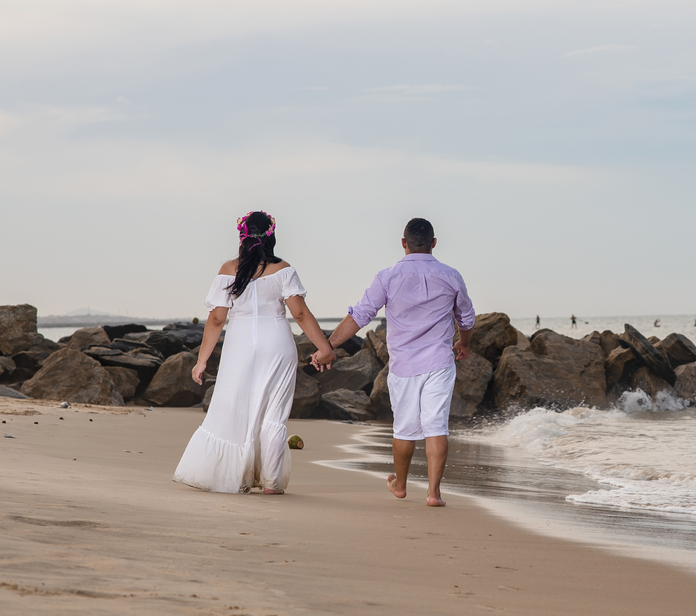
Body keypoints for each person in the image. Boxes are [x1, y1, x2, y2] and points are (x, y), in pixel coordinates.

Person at [313, 218, 474, 507]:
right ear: (434, 242)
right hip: (439, 362)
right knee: (436, 426)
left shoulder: (387, 276)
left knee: (404, 429)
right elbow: (466, 317)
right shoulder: (451, 275)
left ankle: (400, 486)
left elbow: (360, 315)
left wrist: (329, 346)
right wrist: (464, 343)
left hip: (404, 366)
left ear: (403, 243)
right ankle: (434, 493)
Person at [173, 211, 336, 495]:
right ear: (271, 236)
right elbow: (299, 313)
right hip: (277, 343)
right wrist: (325, 348)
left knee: (233, 408)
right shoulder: (284, 269)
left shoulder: (228, 270)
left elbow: (215, 320)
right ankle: (271, 483)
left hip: (240, 345)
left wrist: (201, 361)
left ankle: (232, 474)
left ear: (241, 236)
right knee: (274, 413)